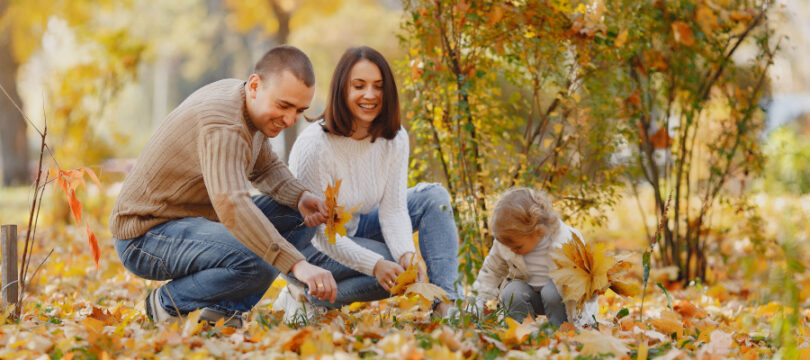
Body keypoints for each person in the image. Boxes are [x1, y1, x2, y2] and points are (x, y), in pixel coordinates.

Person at [109, 45, 336, 328]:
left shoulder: (244, 101)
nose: (290, 120)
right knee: (258, 257)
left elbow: (264, 167)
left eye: (299, 110)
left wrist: (300, 196)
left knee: (299, 216)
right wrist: (297, 264)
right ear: (255, 86)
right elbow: (232, 206)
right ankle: (168, 302)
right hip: (145, 235)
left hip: (191, 222)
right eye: (283, 105)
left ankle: (223, 312)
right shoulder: (224, 125)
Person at [278, 46, 461, 320]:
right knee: (391, 267)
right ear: (342, 90)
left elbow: (394, 210)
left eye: (378, 86)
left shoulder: (395, 138)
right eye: (359, 86)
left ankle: (446, 304)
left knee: (432, 198)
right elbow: (321, 235)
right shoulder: (314, 147)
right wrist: (376, 264)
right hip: (307, 248)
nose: (370, 95)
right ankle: (303, 292)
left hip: (354, 227)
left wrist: (407, 256)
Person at [471, 188, 597, 327]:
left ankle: (561, 331)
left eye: (518, 247)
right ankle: (521, 331)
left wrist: (583, 321)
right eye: (508, 246)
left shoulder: (565, 241)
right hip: (530, 294)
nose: (512, 250)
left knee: (551, 292)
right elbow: (491, 271)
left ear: (538, 231)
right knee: (512, 292)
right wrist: (475, 305)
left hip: (564, 300)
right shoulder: (509, 241)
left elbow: (584, 286)